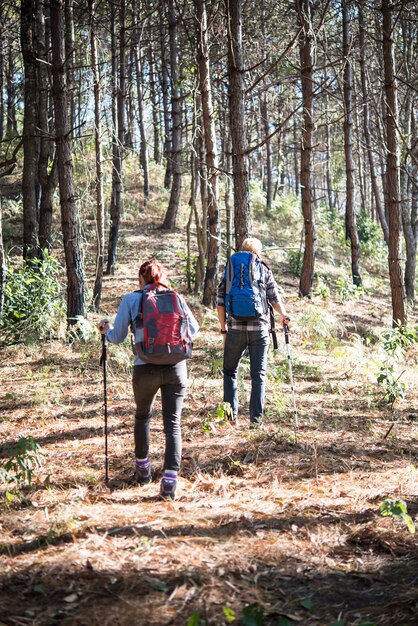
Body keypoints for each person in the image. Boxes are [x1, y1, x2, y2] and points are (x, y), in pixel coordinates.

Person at [98, 260, 199, 500]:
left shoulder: (132, 300)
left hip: (145, 368)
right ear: (163, 277)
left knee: (143, 416)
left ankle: (142, 471)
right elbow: (194, 329)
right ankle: (169, 483)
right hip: (176, 368)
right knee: (172, 424)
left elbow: (119, 336)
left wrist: (105, 330)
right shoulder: (176, 297)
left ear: (141, 278)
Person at [217, 237, 290, 427]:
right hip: (260, 329)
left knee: (230, 372)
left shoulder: (231, 268)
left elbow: (220, 301)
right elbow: (273, 297)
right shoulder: (263, 268)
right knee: (258, 375)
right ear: (258, 252)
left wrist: (223, 329)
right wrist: (284, 314)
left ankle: (229, 419)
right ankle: (256, 421)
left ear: (242, 250)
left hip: (235, 329)